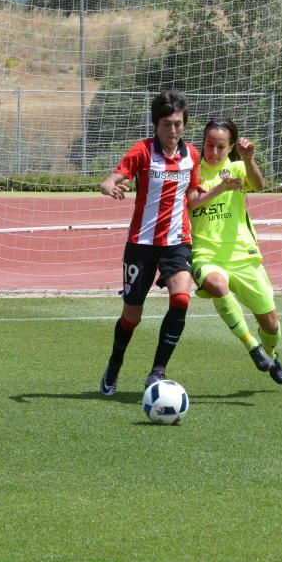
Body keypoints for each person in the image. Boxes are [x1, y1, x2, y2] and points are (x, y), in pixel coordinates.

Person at [99, 89, 236, 395]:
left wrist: (222, 189)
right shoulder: (142, 151)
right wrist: (108, 186)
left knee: (181, 299)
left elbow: (194, 198)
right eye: (165, 124)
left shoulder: (191, 155)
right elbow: (113, 177)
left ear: (184, 124)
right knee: (132, 316)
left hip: (177, 241)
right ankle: (115, 364)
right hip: (142, 244)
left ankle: (157, 370)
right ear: (156, 125)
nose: (172, 130)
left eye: (177, 123)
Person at [189, 118, 282, 385]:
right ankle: (253, 347)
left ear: (231, 147)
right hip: (205, 253)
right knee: (218, 286)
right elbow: (192, 204)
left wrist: (249, 159)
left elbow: (258, 185)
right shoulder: (193, 170)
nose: (214, 151)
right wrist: (220, 188)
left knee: (272, 325)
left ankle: (270, 353)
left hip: (243, 254)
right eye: (210, 145)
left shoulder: (237, 167)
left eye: (221, 146)